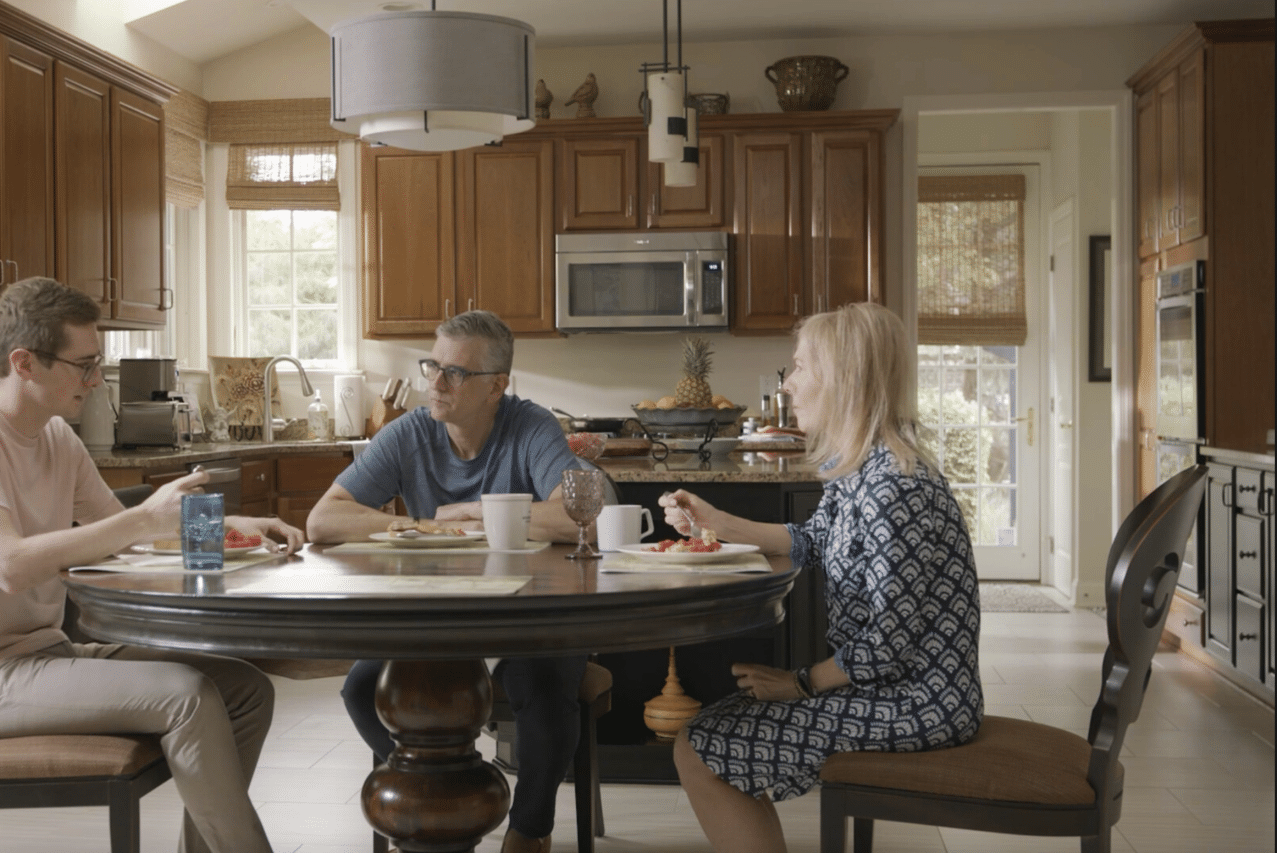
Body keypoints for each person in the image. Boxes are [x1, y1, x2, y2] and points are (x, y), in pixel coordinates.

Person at [0, 277, 306, 853]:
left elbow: (121, 540)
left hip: (44, 654)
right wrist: (143, 521)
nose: (96, 380)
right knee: (185, 693)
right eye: (84, 365)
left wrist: (239, 528)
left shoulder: (55, 438)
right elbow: (9, 565)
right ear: (25, 363)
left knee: (243, 687)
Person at [659, 302, 983, 853]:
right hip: (890, 688)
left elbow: (884, 648)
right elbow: (812, 540)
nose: (787, 385)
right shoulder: (861, 471)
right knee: (704, 740)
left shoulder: (893, 489)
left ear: (842, 379)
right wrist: (716, 521)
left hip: (919, 702)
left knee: (701, 746)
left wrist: (799, 683)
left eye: (799, 367)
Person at [306, 310, 586, 853]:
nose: (435, 382)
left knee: (544, 688)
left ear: (496, 386)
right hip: (431, 615)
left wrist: (481, 514)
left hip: (530, 612)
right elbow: (323, 520)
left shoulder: (531, 427)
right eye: (432, 365)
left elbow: (582, 513)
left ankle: (529, 831)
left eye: (454, 372)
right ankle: (447, 791)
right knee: (362, 689)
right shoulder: (409, 431)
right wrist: (424, 523)